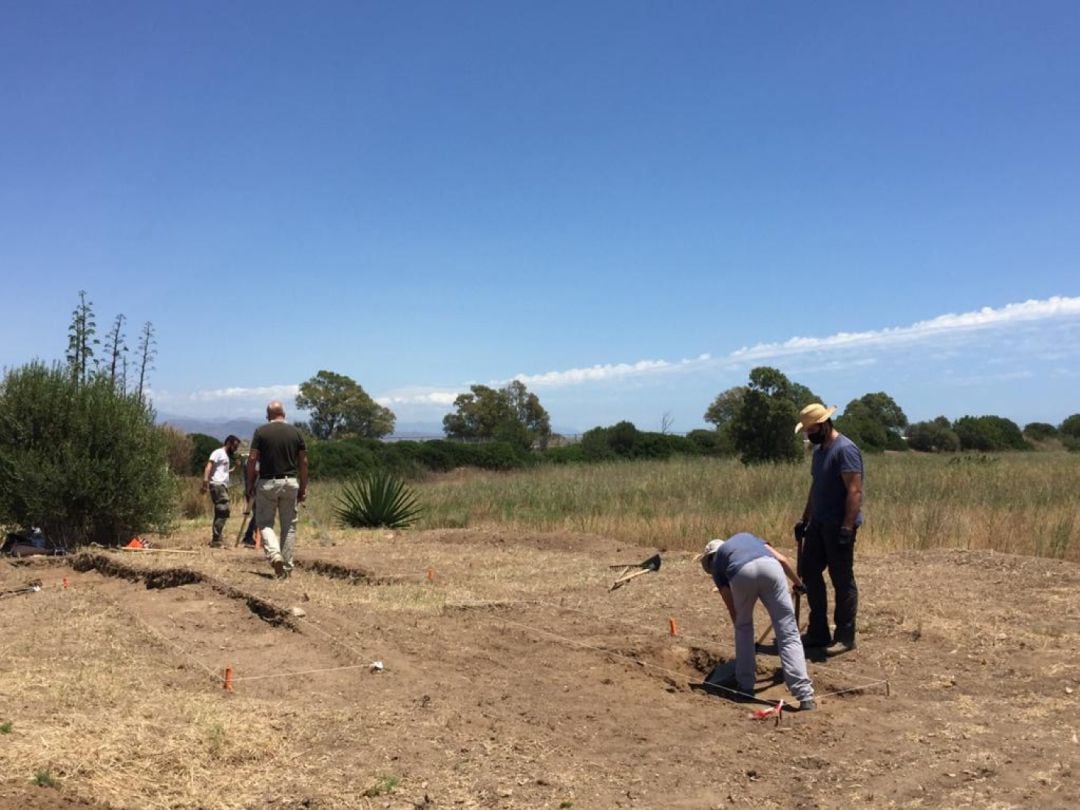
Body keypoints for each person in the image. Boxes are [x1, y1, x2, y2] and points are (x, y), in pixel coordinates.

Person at [699, 533, 815, 711]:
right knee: (788, 632)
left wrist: (741, 629)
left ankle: (745, 687)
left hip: (741, 573)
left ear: (710, 560)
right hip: (771, 568)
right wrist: (798, 584)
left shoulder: (718, 567)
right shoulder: (747, 537)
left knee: (743, 628)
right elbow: (782, 560)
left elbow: (734, 611)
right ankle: (805, 695)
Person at [794, 402, 865, 651]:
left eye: (810, 430)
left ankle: (845, 637)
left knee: (842, 580)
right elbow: (816, 488)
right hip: (818, 525)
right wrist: (805, 519)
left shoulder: (845, 450)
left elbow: (854, 490)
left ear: (823, 425)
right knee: (809, 573)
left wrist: (847, 527)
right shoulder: (820, 452)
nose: (808, 435)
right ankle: (818, 632)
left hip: (838, 527)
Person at [246, 401, 308, 579]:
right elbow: (303, 462)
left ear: (268, 415)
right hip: (290, 482)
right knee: (288, 527)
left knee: (264, 523)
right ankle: (286, 569)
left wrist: (250, 483)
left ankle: (274, 555)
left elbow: (252, 459)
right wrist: (303, 487)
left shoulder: (261, 431)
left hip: (267, 483)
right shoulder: (296, 432)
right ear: (284, 413)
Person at [201, 435, 241, 548]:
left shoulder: (225, 456)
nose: (235, 449)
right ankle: (216, 539)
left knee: (221, 511)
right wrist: (205, 482)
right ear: (228, 443)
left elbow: (224, 472)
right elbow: (209, 466)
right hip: (217, 485)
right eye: (234, 446)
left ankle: (217, 537)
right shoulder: (218, 452)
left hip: (222, 485)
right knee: (223, 509)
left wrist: (235, 468)